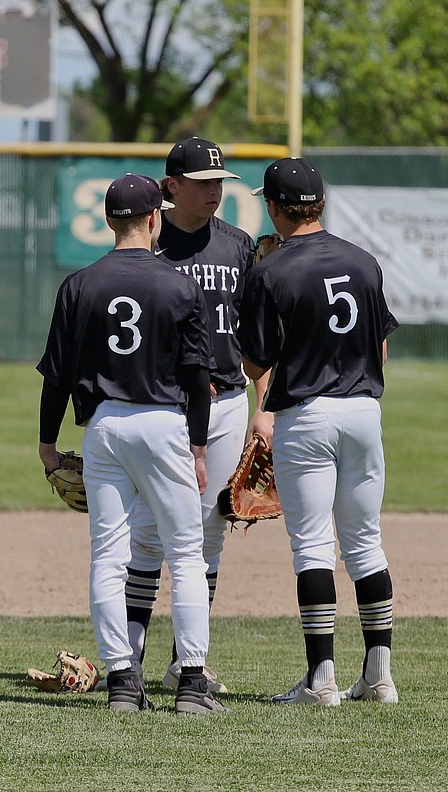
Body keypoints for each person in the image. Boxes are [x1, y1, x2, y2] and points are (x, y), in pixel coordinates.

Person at [37, 173, 228, 714]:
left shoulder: (78, 285)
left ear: (108, 220)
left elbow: (55, 376)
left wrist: (47, 444)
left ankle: (122, 680)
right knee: (186, 553)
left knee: (107, 554)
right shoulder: (179, 285)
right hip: (163, 423)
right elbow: (197, 378)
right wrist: (197, 446)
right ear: (154, 219)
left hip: (102, 428)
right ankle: (191, 683)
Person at [238, 157, 400, 706]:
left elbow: (256, 364)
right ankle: (379, 676)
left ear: (276, 207)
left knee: (312, 546)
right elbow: (380, 348)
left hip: (307, 415)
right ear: (322, 204)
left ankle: (321, 680)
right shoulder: (363, 261)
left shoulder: (271, 271)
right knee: (366, 542)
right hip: (363, 409)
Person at [121, 137, 272, 695]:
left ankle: (190, 660)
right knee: (148, 534)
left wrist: (264, 405)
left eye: (220, 183)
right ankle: (128, 654)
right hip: (162, 404)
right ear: (172, 187)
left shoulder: (237, 246)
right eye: (204, 182)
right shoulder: (146, 247)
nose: (215, 191)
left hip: (229, 399)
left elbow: (252, 335)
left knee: (210, 531)